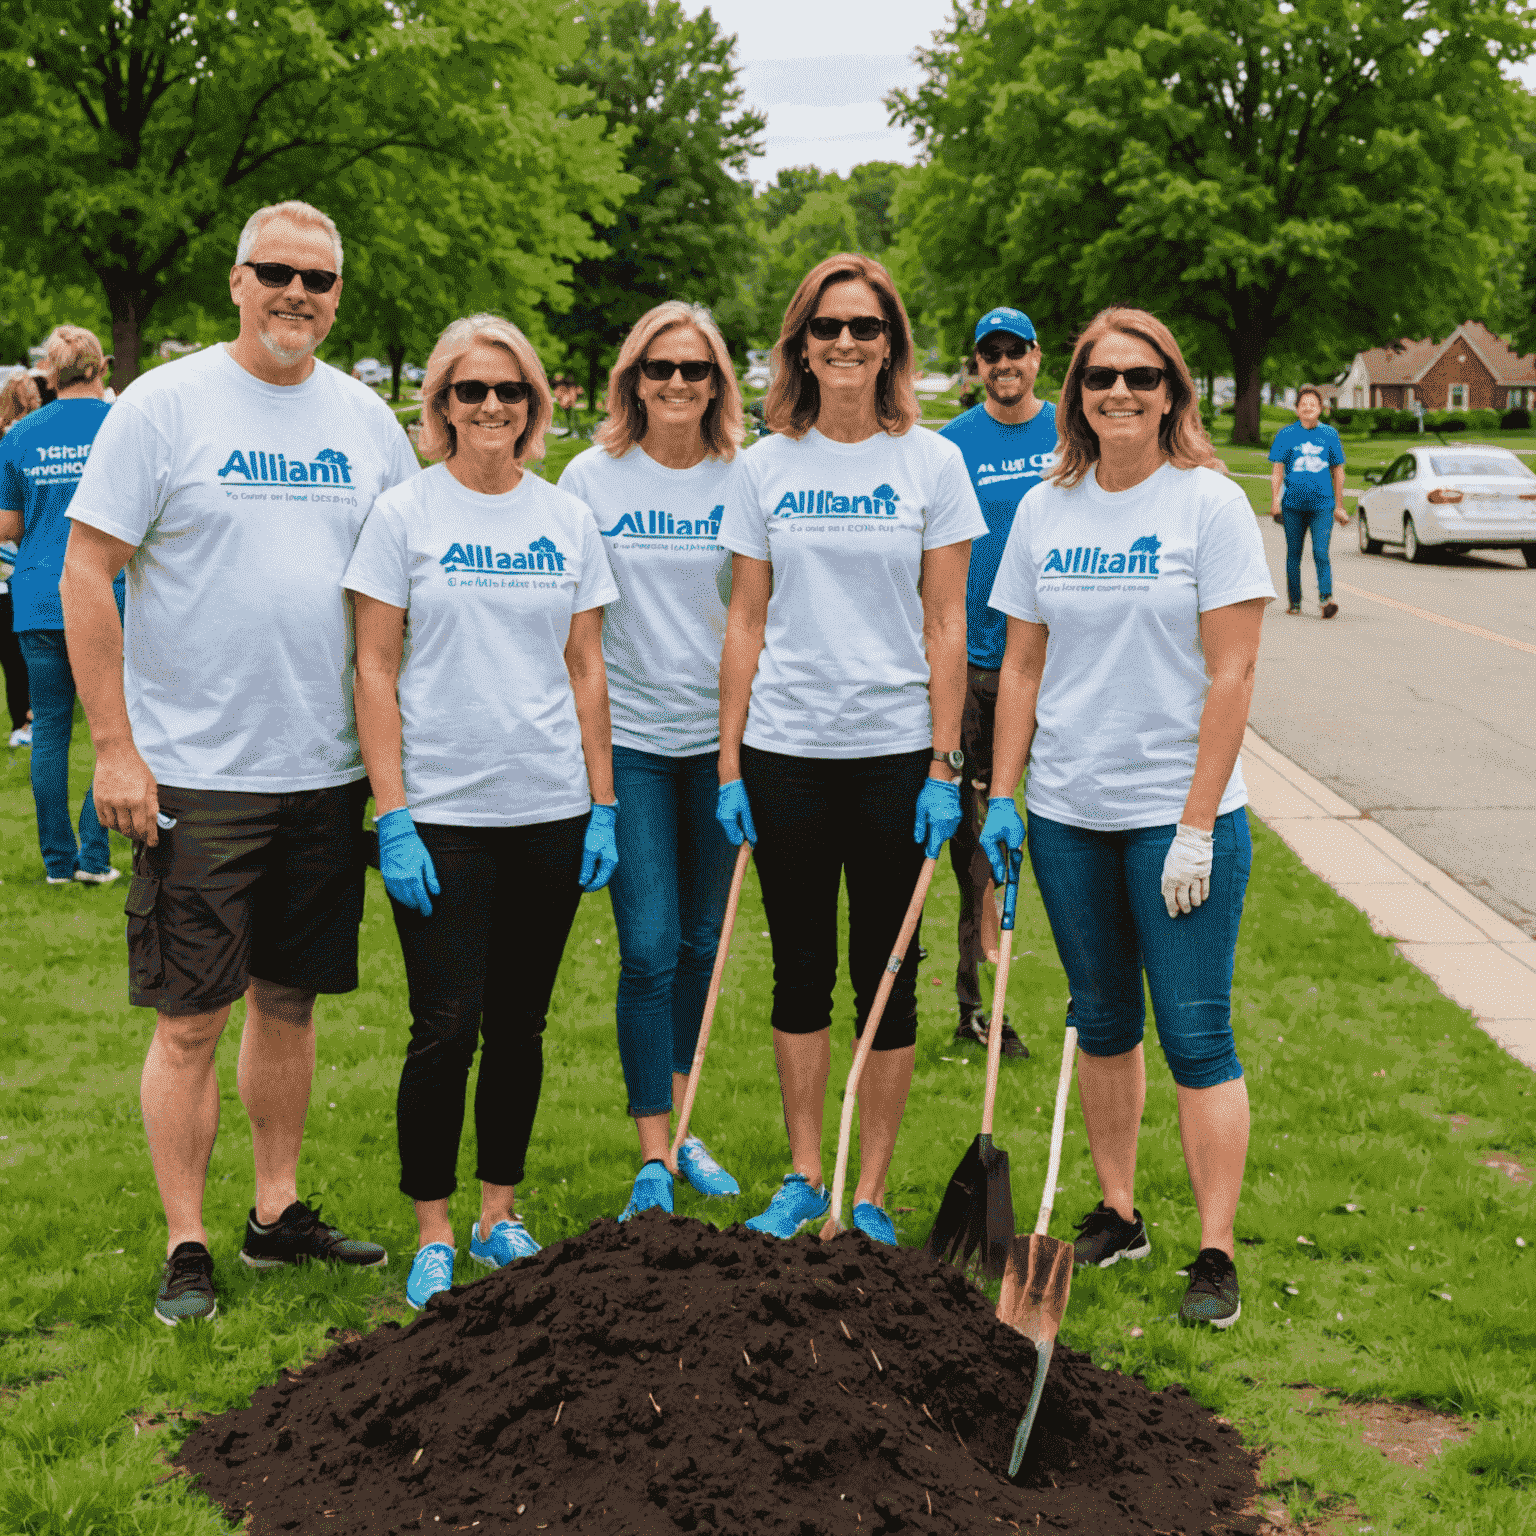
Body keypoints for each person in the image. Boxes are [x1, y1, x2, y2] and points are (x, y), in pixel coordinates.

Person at [62, 200, 417, 1327]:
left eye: (318, 280)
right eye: (277, 272)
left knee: (291, 1003)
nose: (297, 295)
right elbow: (86, 569)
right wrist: (116, 748)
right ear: (235, 280)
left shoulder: (368, 422)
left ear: (337, 297)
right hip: (198, 776)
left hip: (322, 769)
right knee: (189, 1020)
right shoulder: (164, 407)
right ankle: (187, 1244)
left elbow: (402, 589)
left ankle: (274, 1215)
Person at [980, 306, 1275, 1329]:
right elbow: (1021, 664)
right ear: (1077, 393)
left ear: (1172, 391)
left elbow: (1234, 673)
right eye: (1101, 376)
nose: (1120, 392)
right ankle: (1117, 1211)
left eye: (1141, 377)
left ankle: (1215, 1251)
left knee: (1197, 1035)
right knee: (1101, 1022)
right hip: (1068, 814)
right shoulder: (1046, 511)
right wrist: (1005, 796)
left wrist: (1196, 824)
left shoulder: (1210, 505)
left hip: (1176, 817)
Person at [347, 313, 620, 1311]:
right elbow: (374, 669)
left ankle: (497, 1212)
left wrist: (603, 806)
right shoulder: (403, 516)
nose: (491, 407)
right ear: (442, 407)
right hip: (444, 816)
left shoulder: (565, 520)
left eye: (509, 391)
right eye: (471, 391)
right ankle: (430, 1228)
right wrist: (395, 816)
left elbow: (586, 668)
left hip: (548, 810)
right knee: (444, 1025)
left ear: (535, 405)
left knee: (519, 1026)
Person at [716, 253, 985, 1245]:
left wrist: (946, 767)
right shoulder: (765, 466)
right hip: (786, 751)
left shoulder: (932, 464)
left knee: (890, 972)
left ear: (890, 345)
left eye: (864, 327)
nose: (844, 343)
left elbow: (947, 624)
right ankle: (801, 1171)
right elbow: (745, 620)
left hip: (894, 757)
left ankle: (866, 1191)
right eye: (826, 327)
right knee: (797, 969)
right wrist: (729, 764)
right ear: (801, 343)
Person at [558, 302, 745, 1222]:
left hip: (720, 750)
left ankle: (683, 1123)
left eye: (695, 370)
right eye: (659, 369)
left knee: (703, 944)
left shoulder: (743, 479)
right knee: (647, 944)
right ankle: (650, 1149)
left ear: (718, 384)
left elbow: (763, 617)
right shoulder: (590, 479)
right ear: (632, 378)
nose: (677, 384)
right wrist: (591, 781)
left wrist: (745, 754)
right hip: (628, 744)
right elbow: (574, 637)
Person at [939, 307, 1059, 1059]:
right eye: (991, 354)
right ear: (976, 365)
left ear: (1037, 358)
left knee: (1057, 842)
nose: (1004, 364)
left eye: (1015, 351)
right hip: (972, 667)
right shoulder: (952, 447)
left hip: (1052, 669)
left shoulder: (1068, 436)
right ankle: (978, 1010)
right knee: (972, 851)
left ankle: (1097, 1006)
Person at [0, 326, 123, 882]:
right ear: (101, 369)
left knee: (49, 728)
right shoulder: (121, 427)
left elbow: (7, 526)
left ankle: (58, 862)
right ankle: (95, 856)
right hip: (109, 597)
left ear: (51, 376)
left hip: (38, 594)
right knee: (114, 725)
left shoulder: (21, 435)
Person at [1268, 387, 1347, 617]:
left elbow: (1338, 471)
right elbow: (1277, 472)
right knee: (1294, 553)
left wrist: (1339, 506)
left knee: (1321, 552)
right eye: (1304, 404)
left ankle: (1326, 598)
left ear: (1321, 409)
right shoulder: (1285, 435)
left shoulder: (1330, 435)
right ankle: (1295, 601)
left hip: (1322, 506)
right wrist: (1275, 500)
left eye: (1313, 404)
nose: (1308, 408)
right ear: (1296, 408)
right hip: (1292, 506)